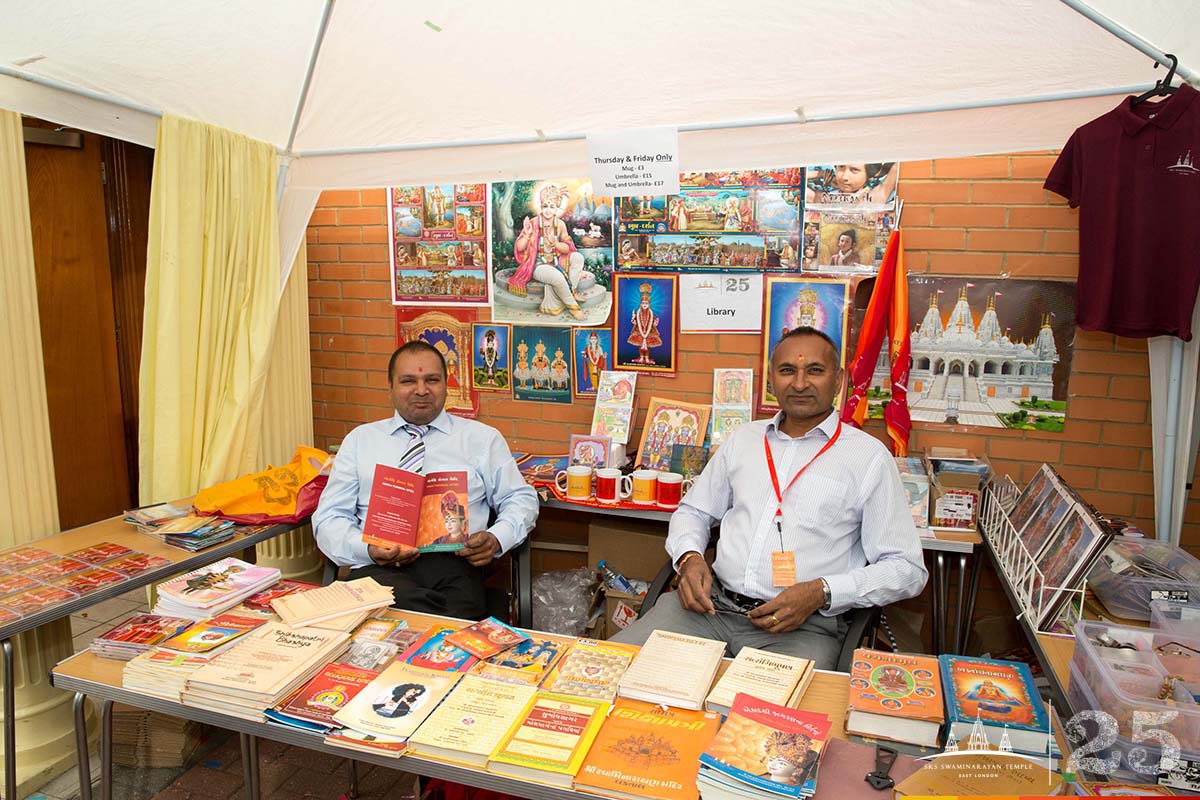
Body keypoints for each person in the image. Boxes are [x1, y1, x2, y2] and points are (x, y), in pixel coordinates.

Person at [612, 327, 927, 669]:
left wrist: (822, 591)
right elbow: (693, 511)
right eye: (787, 370)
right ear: (771, 380)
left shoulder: (867, 457)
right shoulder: (744, 440)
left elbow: (906, 569)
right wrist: (689, 558)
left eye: (815, 371)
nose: (800, 382)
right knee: (606, 671)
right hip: (706, 611)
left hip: (800, 630)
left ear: (838, 380)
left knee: (761, 720)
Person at [313, 340, 538, 619]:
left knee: (433, 612)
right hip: (378, 567)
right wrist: (368, 550)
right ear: (391, 387)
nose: (421, 390)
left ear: (446, 385)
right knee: (407, 607)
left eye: (432, 379)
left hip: (455, 567)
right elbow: (329, 518)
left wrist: (496, 538)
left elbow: (521, 498)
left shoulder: (481, 438)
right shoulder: (361, 441)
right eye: (408, 381)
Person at [510, 183, 587, 320]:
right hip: (538, 265)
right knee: (557, 277)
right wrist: (527, 235)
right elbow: (520, 248)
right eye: (545, 206)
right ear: (541, 206)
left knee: (578, 258)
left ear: (557, 208)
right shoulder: (533, 223)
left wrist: (555, 243)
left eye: (552, 207)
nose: (547, 210)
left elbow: (568, 248)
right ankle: (573, 307)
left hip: (557, 261)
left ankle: (572, 291)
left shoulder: (560, 224)